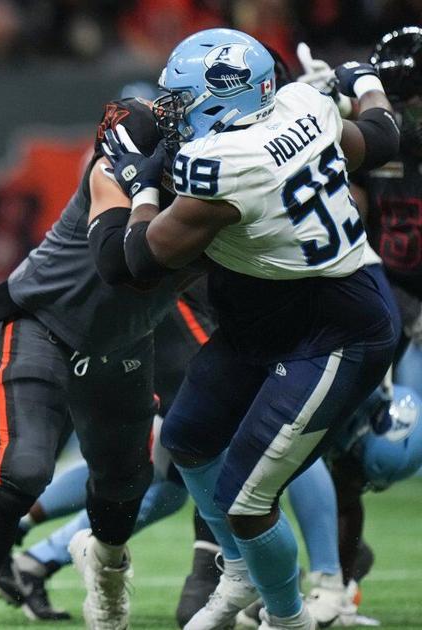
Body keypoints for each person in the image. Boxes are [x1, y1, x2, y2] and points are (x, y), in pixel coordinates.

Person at [97, 28, 401, 630]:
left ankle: (288, 619)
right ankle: (239, 571)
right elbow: (382, 135)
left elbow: (136, 259)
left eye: (180, 101)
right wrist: (363, 81)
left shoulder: (226, 164)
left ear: (223, 97)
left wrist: (139, 181)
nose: (169, 114)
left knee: (247, 501)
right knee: (188, 439)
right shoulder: (302, 103)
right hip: (268, 312)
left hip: (334, 329)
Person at [0, 91, 209, 629]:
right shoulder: (112, 173)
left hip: (121, 345)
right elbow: (120, 263)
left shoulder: (224, 186)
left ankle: (107, 568)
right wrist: (147, 192)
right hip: (45, 322)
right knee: (22, 464)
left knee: (124, 486)